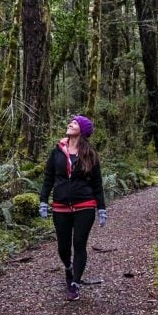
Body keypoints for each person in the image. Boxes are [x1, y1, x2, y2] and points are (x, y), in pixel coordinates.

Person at [39, 115, 107, 301]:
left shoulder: (90, 154)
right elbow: (48, 178)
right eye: (71, 122)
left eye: (75, 123)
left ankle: (75, 284)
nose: (70, 124)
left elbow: (97, 183)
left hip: (84, 205)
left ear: (82, 131)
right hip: (60, 206)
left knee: (79, 243)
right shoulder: (57, 152)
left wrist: (101, 208)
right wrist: (43, 200)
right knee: (63, 246)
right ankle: (68, 268)